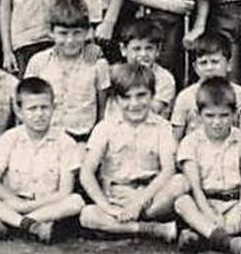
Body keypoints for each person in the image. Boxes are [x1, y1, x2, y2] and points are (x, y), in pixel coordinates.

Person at [0, 76, 86, 242]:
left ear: (54, 108)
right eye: (32, 109)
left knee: (76, 202)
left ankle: (16, 224)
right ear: (19, 112)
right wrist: (14, 201)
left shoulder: (65, 142)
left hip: (46, 204)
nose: (39, 114)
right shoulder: (10, 138)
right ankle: (32, 225)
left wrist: (27, 207)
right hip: (12, 201)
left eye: (44, 108)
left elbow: (65, 191)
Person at [77, 62, 182, 242]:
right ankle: (150, 229)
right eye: (126, 97)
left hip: (152, 199)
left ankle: (124, 227)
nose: (134, 104)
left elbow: (168, 170)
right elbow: (86, 172)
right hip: (117, 199)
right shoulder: (105, 127)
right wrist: (107, 207)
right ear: (116, 99)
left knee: (181, 182)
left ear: (152, 95)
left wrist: (139, 203)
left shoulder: (162, 127)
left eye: (141, 96)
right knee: (88, 215)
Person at [172, 77, 241, 254]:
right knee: (182, 202)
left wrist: (237, 211)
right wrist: (209, 213)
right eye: (210, 116)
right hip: (205, 204)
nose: (217, 122)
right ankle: (229, 242)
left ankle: (205, 236)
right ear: (199, 115)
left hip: (235, 203)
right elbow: (196, 189)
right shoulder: (190, 142)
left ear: (234, 115)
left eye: (224, 116)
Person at [24, 0, 109, 141]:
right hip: (46, 139)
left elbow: (103, 109)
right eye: (63, 33)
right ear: (51, 32)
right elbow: (27, 102)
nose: (70, 40)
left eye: (77, 33)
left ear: (87, 32)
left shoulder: (97, 64)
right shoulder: (38, 62)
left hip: (83, 140)